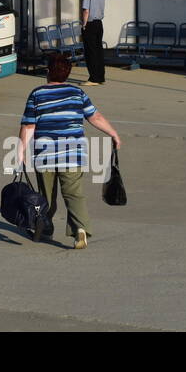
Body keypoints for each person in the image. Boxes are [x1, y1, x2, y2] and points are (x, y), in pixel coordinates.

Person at [17, 52, 122, 249]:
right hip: (73, 154)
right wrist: (113, 133)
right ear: (67, 73)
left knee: (46, 196)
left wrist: (21, 151)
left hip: (45, 154)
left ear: (48, 72)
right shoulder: (77, 93)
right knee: (74, 194)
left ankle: (44, 227)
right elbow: (95, 117)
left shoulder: (37, 93)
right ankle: (80, 229)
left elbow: (28, 126)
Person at [80, 0, 106, 85]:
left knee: (90, 51)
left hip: (90, 23)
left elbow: (86, 10)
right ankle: (101, 77)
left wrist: (84, 24)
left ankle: (93, 78)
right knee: (98, 50)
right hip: (99, 23)